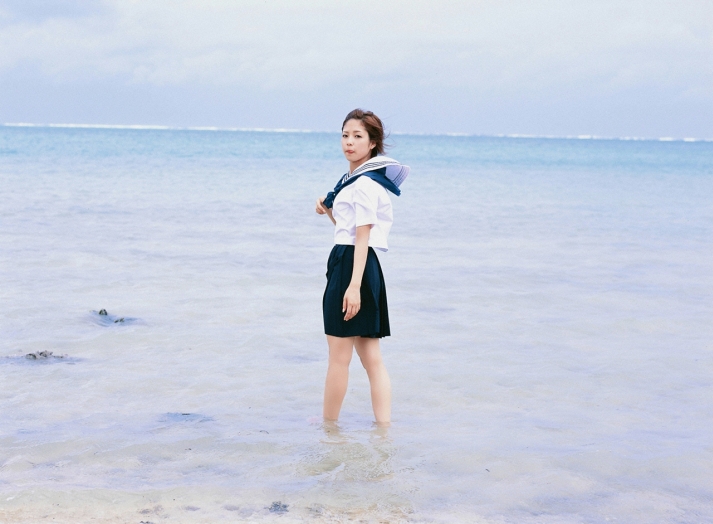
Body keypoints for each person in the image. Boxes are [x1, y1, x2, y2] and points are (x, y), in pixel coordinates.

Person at [315, 109, 409, 425]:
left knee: (339, 358)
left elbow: (363, 234)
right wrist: (329, 210)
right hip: (360, 263)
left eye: (358, 136)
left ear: (372, 144)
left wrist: (353, 286)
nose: (349, 142)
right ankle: (383, 428)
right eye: (345, 135)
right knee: (371, 358)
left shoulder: (364, 184)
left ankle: (329, 428)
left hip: (352, 266)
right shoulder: (354, 182)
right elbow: (349, 229)